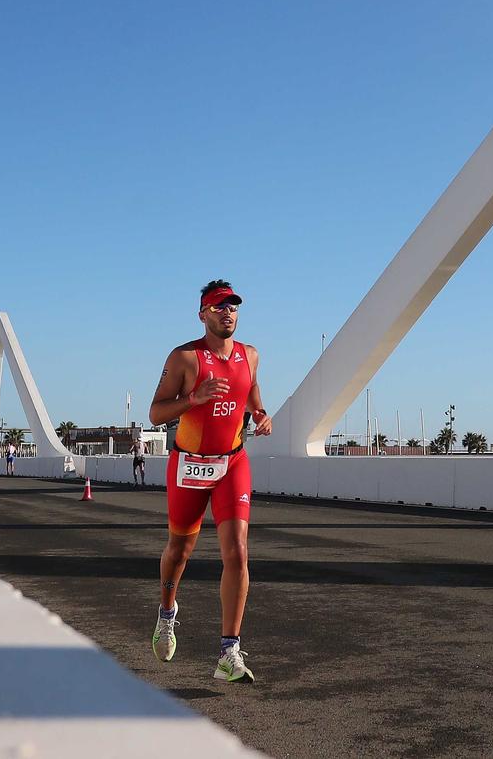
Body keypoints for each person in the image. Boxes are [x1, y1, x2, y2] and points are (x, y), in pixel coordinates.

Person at [150, 279, 270, 684]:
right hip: (188, 465)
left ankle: (228, 652)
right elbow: (155, 413)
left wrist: (261, 413)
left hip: (232, 462)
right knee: (180, 550)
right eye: (219, 307)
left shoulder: (250, 355)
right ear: (203, 314)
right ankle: (167, 613)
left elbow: (251, 393)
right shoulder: (185, 358)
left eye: (233, 306)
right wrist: (194, 399)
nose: (228, 312)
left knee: (237, 550)